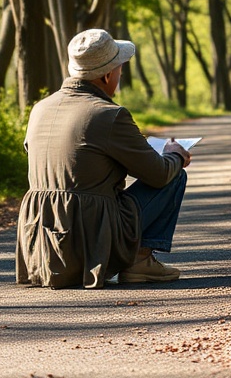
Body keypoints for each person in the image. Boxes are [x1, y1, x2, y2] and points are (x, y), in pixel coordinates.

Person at [15, 29, 192, 289]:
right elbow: (158, 174)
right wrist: (174, 155)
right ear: (108, 74)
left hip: (41, 248)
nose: (120, 75)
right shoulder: (109, 114)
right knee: (174, 175)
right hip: (89, 243)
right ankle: (140, 260)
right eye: (120, 68)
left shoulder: (39, 108)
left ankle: (129, 261)